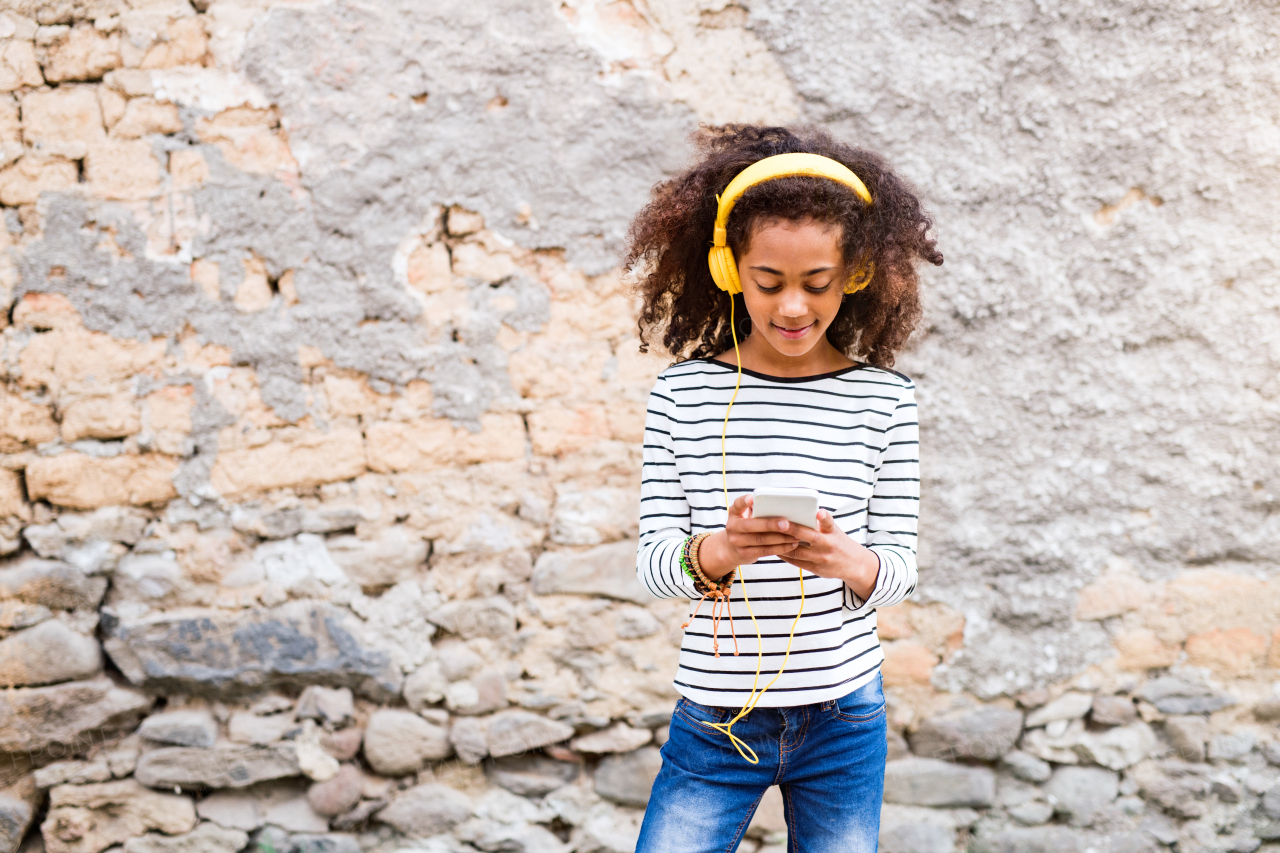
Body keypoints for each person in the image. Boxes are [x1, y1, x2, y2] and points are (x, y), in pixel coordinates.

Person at [625, 124, 943, 853]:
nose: (793, 307)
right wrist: (718, 549)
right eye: (769, 283)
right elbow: (652, 562)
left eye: (817, 284)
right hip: (715, 718)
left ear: (856, 274)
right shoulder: (682, 394)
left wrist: (845, 560)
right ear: (730, 270)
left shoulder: (884, 401)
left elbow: (897, 566)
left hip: (845, 718)